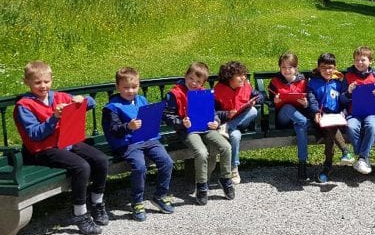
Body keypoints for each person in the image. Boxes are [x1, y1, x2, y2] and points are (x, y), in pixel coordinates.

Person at [14, 60, 109, 235]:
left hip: (67, 141)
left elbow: (91, 102)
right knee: (81, 166)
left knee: (101, 160)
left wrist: (82, 100)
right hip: (43, 150)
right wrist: (54, 117)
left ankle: (97, 203)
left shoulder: (59, 97)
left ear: (51, 80)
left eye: (46, 82)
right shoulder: (24, 106)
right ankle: (79, 213)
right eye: (37, 82)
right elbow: (35, 134)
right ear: (26, 82)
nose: (43, 86)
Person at [102, 67, 175, 222]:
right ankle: (137, 201)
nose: (131, 91)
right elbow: (113, 130)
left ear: (139, 86)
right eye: (126, 88)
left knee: (167, 162)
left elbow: (149, 120)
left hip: (148, 139)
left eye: (134, 87)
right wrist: (128, 126)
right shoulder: (112, 107)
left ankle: (160, 195)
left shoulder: (141, 100)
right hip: (128, 143)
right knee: (140, 166)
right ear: (118, 87)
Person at [163, 62, 234, 205]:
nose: (194, 83)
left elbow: (213, 113)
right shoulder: (175, 93)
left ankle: (225, 178)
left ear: (203, 82)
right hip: (188, 130)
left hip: (206, 128)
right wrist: (181, 122)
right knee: (202, 152)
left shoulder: (204, 93)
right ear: (185, 76)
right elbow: (167, 115)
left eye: (198, 81)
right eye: (191, 79)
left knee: (226, 147)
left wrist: (216, 122)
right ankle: (202, 185)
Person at [215, 61, 263, 184]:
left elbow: (261, 96)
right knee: (235, 136)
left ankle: (227, 127)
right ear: (229, 77)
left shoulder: (246, 86)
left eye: (244, 75)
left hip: (241, 122)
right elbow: (213, 112)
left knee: (252, 110)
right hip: (225, 123)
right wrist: (226, 114)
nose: (244, 77)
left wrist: (255, 100)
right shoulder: (218, 90)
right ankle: (234, 168)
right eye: (239, 75)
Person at [268, 52, 314, 182]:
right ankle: (306, 122)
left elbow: (309, 101)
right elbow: (270, 100)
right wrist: (275, 101)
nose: (287, 70)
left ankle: (302, 165)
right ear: (279, 68)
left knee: (301, 128)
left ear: (296, 68)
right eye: (283, 67)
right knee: (288, 108)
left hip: (298, 118)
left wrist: (305, 104)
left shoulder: (304, 81)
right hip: (283, 118)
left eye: (290, 67)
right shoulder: (275, 81)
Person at [342, 46, 375, 175]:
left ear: (370, 61)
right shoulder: (349, 76)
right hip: (353, 113)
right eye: (356, 60)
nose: (359, 63)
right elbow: (342, 99)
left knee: (372, 126)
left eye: (363, 60)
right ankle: (363, 157)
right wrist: (349, 92)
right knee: (351, 127)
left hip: (372, 112)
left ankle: (361, 158)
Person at [307, 53, 350, 183]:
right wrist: (315, 112)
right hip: (319, 116)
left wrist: (343, 112)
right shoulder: (313, 82)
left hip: (337, 116)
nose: (327, 71)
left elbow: (344, 99)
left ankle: (327, 166)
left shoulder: (340, 81)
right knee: (329, 125)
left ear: (335, 67)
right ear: (318, 68)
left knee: (330, 128)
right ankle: (345, 151)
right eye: (323, 67)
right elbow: (312, 99)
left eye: (330, 67)